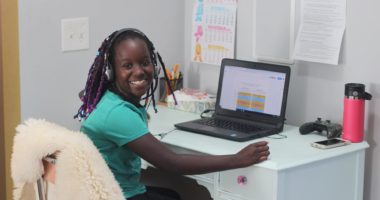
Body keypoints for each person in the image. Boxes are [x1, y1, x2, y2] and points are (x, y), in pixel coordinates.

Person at [75, 28, 270, 200]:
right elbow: (171, 163)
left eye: (144, 62)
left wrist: (136, 118)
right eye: (127, 66)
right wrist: (237, 159)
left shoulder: (103, 98)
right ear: (111, 71)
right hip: (119, 195)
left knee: (172, 195)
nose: (139, 71)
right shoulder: (118, 115)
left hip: (101, 192)